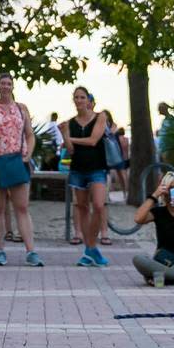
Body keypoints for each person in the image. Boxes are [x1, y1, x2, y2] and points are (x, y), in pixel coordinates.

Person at [0, 73, 42, 267]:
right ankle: (0, 250)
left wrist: (28, 154)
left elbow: (30, 134)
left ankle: (31, 250)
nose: (5, 86)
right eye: (2, 83)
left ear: (13, 86)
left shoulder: (21, 108)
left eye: (8, 83)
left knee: (22, 206)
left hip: (17, 160)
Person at [64, 86, 110, 266]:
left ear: (88, 99)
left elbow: (93, 141)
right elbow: (69, 150)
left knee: (98, 205)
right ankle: (89, 249)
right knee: (82, 207)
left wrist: (69, 137)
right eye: (76, 97)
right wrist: (65, 136)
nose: (79, 100)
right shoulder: (70, 123)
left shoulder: (100, 117)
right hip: (77, 168)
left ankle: (91, 247)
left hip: (97, 167)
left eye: (82, 97)